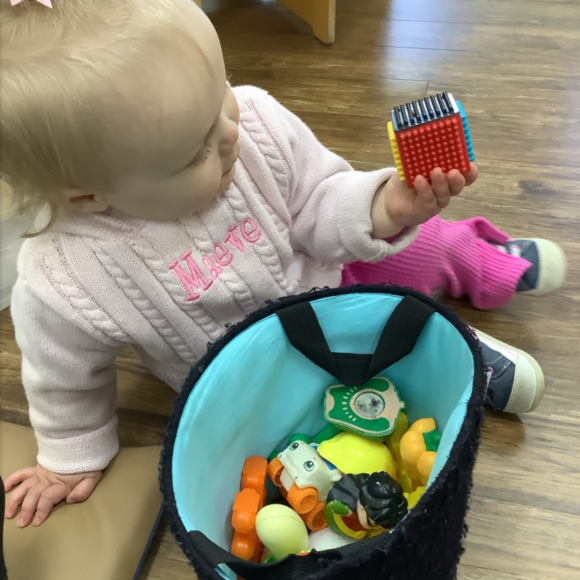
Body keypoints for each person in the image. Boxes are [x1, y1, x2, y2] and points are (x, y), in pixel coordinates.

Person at [0, 0, 566, 529]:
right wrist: (69, 456)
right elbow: (63, 377)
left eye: (219, 92)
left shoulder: (256, 123)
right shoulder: (63, 279)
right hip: (256, 370)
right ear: (87, 196)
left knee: (418, 238)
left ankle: (483, 261)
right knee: (361, 372)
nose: (231, 134)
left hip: (330, 275)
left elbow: (318, 200)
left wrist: (385, 205)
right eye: (197, 149)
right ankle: (451, 349)